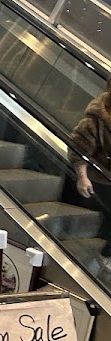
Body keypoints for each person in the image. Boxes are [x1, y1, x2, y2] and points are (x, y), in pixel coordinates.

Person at [72, 78, 111, 276]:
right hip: (100, 178)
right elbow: (78, 148)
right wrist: (82, 177)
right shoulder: (96, 118)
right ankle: (103, 257)